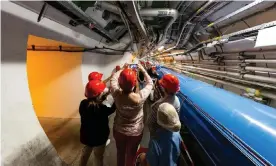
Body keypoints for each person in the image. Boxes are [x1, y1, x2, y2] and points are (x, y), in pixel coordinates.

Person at [110, 63, 153, 166]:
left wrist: (123, 69)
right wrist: (142, 69)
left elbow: (113, 79)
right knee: (131, 154)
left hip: (119, 130)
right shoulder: (140, 97)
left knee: (120, 153)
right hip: (136, 132)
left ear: (120, 83)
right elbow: (150, 83)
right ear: (134, 84)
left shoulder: (116, 93)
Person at [79, 80, 116, 166]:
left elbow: (95, 102)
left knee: (85, 154)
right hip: (99, 139)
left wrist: (104, 94)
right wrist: (114, 96)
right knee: (98, 157)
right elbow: (112, 109)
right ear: (99, 95)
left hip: (86, 137)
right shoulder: (102, 108)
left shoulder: (83, 104)